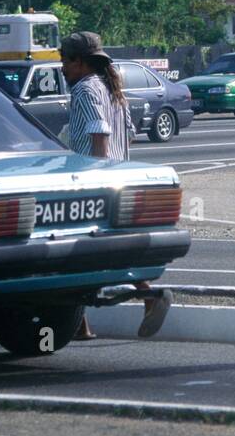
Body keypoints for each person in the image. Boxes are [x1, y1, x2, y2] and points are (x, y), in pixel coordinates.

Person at [59, 31, 172, 340]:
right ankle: (82, 325)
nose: (63, 68)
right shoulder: (112, 90)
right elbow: (129, 134)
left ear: (80, 63)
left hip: (94, 183)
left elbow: (99, 135)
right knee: (94, 254)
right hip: (120, 180)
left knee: (74, 252)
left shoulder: (84, 89)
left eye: (65, 61)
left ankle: (150, 297)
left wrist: (97, 179)